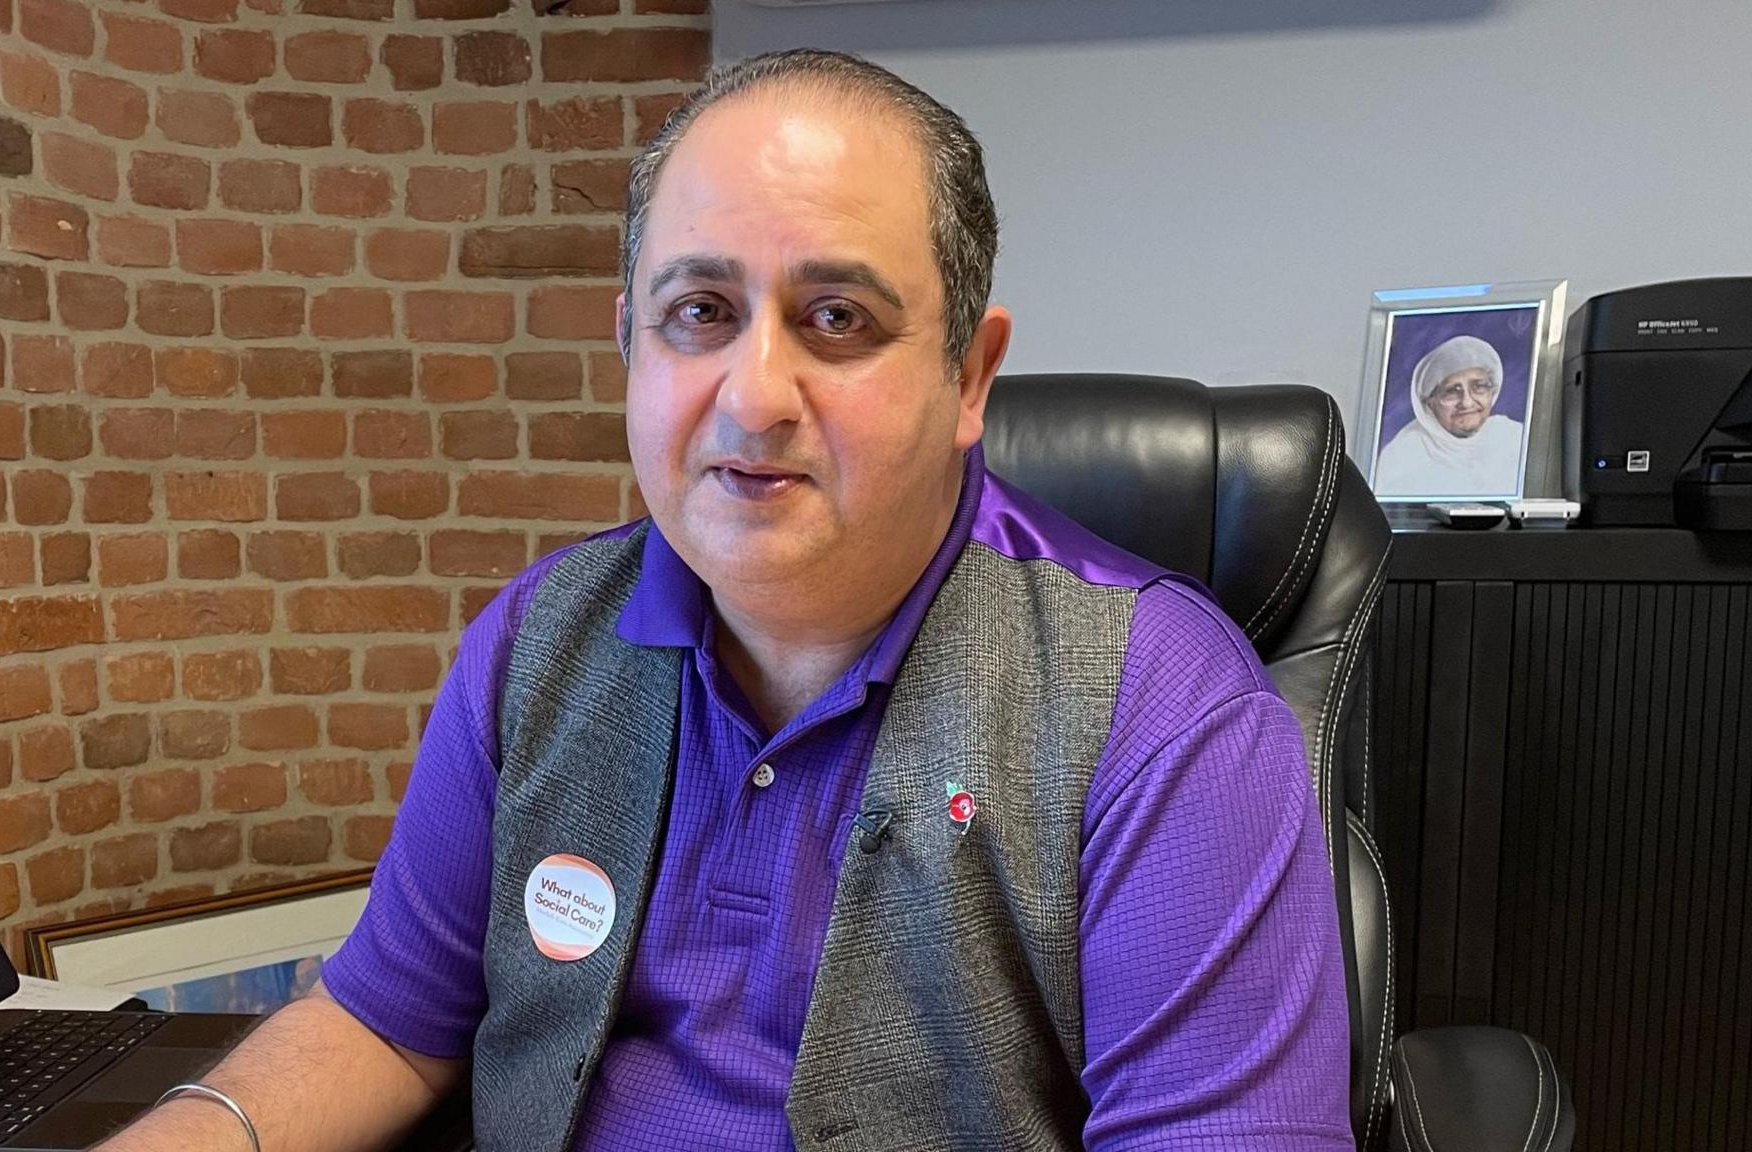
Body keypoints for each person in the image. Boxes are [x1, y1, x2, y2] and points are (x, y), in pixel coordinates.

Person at [96, 49, 1352, 1152]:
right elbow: (387, 1023)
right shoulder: (534, 646)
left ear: (968, 375)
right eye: (699, 312)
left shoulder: (1162, 709)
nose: (753, 396)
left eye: (836, 318)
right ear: (632, 350)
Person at [1375, 333, 1528, 497]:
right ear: (1429, 402)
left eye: (1479, 386)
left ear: (1493, 391)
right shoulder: (1401, 457)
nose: (1467, 403)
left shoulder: (1514, 439)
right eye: (1452, 392)